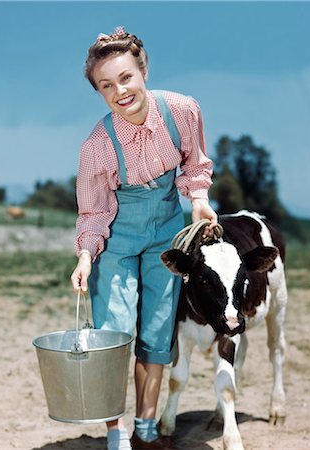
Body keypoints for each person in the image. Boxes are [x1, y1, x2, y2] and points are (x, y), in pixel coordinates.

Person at [71, 26, 218, 450]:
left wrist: (199, 200)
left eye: (125, 77)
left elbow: (194, 164)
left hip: (166, 235)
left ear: (143, 70)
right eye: (106, 85)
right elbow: (94, 212)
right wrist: (85, 256)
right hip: (117, 241)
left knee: (156, 332)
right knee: (113, 337)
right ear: (98, 92)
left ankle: (147, 431)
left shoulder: (182, 110)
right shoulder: (97, 146)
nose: (119, 91)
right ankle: (116, 436)